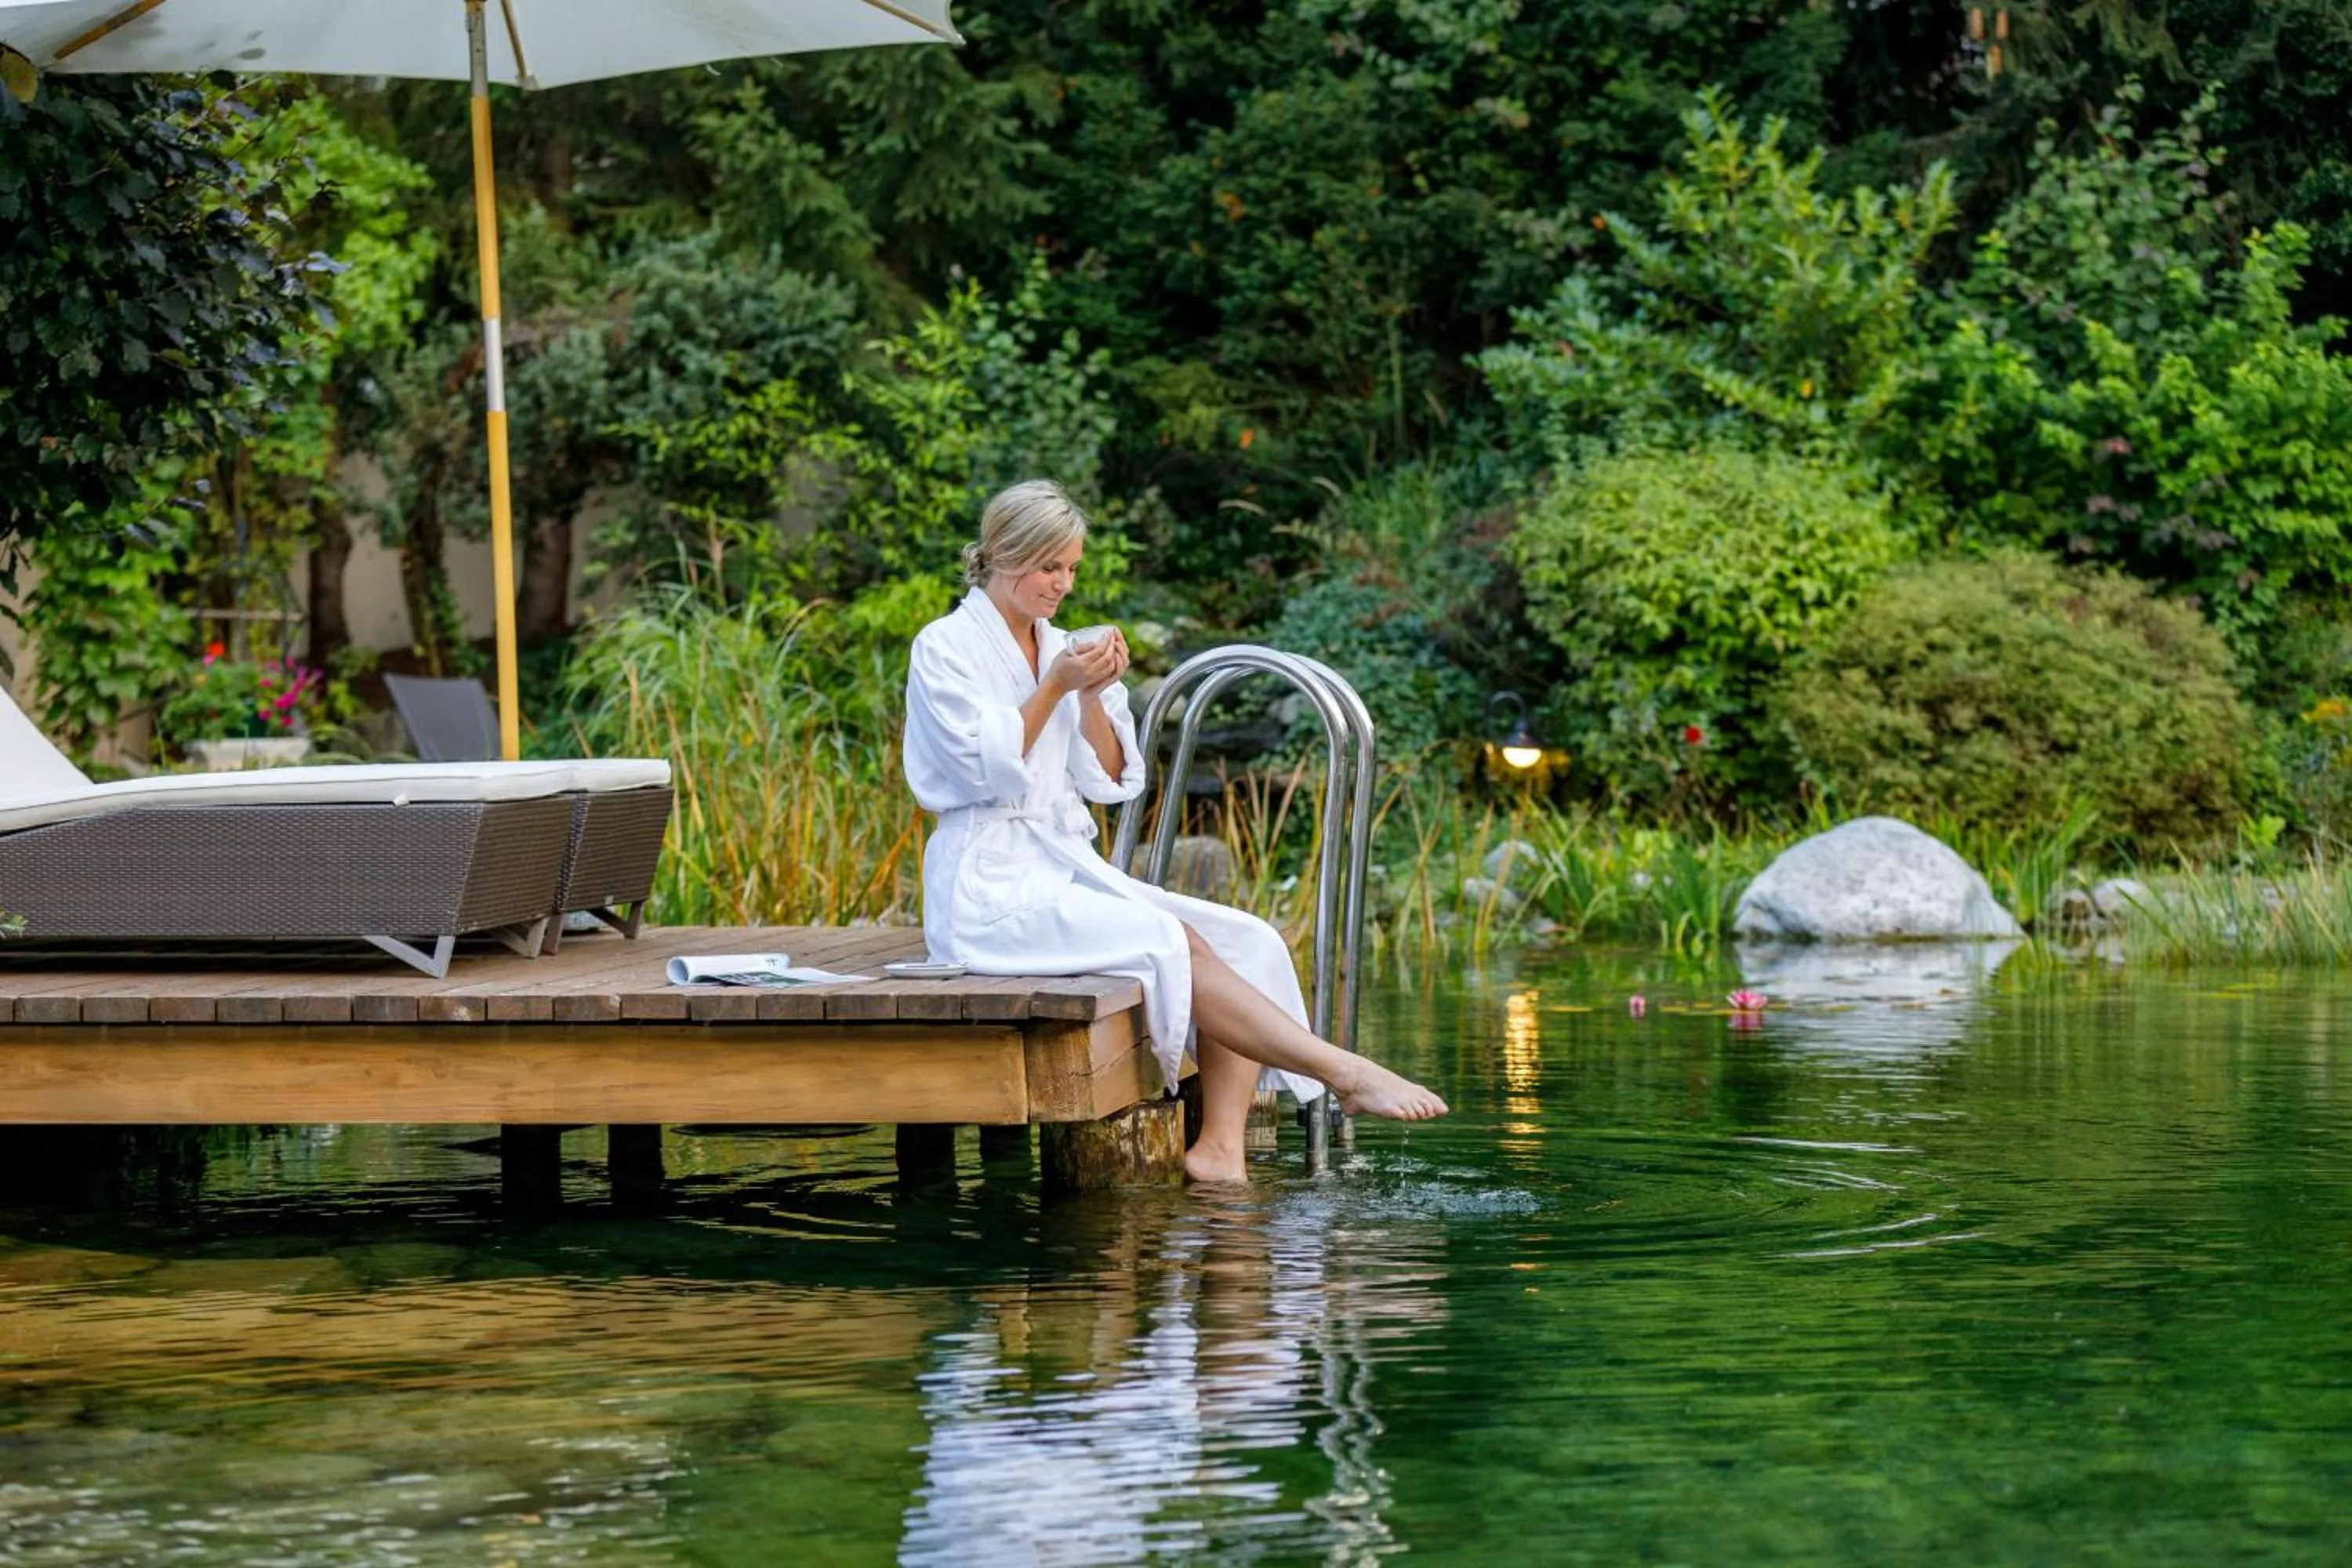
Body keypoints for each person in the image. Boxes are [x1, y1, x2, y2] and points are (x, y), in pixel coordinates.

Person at [902, 479, 1447, 1185]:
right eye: (1049, 568)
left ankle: (1220, 1149)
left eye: (1071, 568)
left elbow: (1108, 776)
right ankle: (1341, 1070)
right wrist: (1055, 688)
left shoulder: (1063, 645)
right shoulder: (944, 647)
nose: (1062, 584)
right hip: (989, 886)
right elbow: (985, 771)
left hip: (1061, 864)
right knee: (1174, 941)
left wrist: (1092, 693)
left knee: (1247, 938)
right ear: (1004, 555)